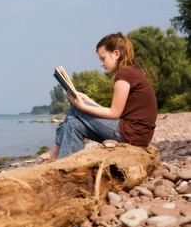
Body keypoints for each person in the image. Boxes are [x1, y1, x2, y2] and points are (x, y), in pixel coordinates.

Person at [40, 32, 157, 160]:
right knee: (74, 124)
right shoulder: (132, 72)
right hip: (136, 133)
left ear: (116, 54)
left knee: (76, 108)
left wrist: (82, 107)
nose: (101, 63)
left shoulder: (124, 75)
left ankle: (55, 150)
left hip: (132, 134)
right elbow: (116, 113)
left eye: (103, 58)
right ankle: (67, 165)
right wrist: (88, 100)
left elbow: (114, 114)